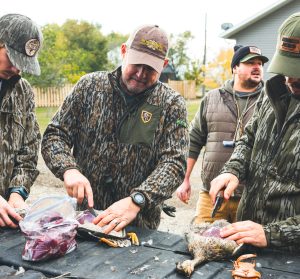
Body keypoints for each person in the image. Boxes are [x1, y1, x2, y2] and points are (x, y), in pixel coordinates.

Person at [41, 25, 189, 234]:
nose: (140, 73)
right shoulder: (89, 87)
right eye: (136, 64)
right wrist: (68, 169)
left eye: (150, 68)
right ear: (123, 51)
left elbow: (174, 163)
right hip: (83, 219)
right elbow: (55, 135)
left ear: (163, 65)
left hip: (138, 226)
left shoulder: (171, 104)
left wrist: (138, 200)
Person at [209, 12, 300, 251]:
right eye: (287, 67)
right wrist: (234, 169)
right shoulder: (273, 94)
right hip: (247, 237)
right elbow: (249, 139)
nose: (290, 79)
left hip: (290, 258)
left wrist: (272, 234)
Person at [176, 45, 268, 223]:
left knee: (246, 250)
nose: (257, 67)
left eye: (260, 63)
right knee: (202, 244)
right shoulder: (212, 98)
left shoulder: (270, 102)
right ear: (235, 68)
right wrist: (185, 179)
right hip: (212, 195)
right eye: (250, 63)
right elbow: (194, 140)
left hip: (252, 198)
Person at [0, 14, 43, 228]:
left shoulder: (23, 91)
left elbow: (29, 148)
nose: (17, 69)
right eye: (12, 59)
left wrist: (17, 192)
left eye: (22, 64)